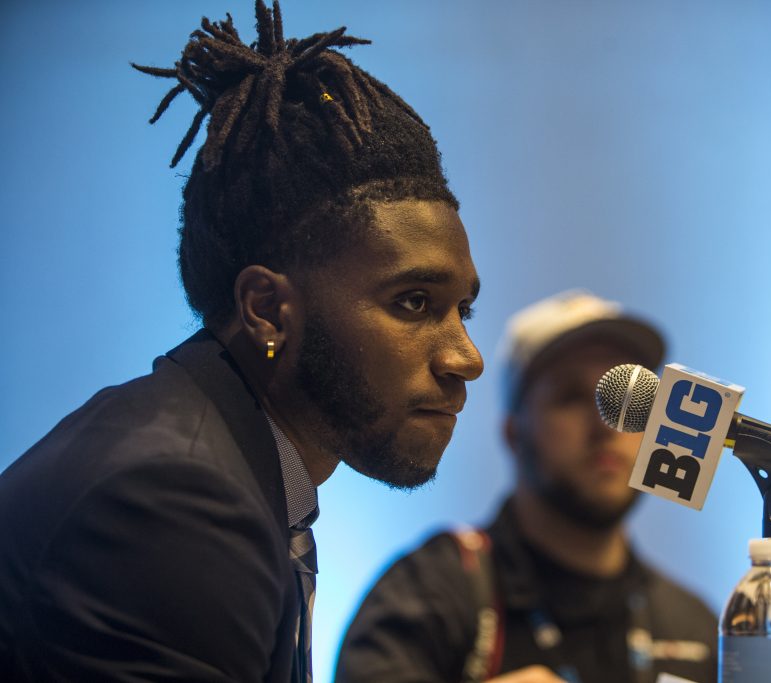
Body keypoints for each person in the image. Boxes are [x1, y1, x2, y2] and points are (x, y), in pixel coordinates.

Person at [0, 2, 482, 681]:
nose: (466, 356)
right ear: (265, 308)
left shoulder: (229, 463)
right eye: (414, 303)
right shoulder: (175, 501)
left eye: (464, 309)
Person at [335, 291, 718, 683]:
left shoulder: (692, 625)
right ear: (514, 434)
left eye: (631, 402)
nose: (608, 425)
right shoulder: (430, 593)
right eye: (571, 398)